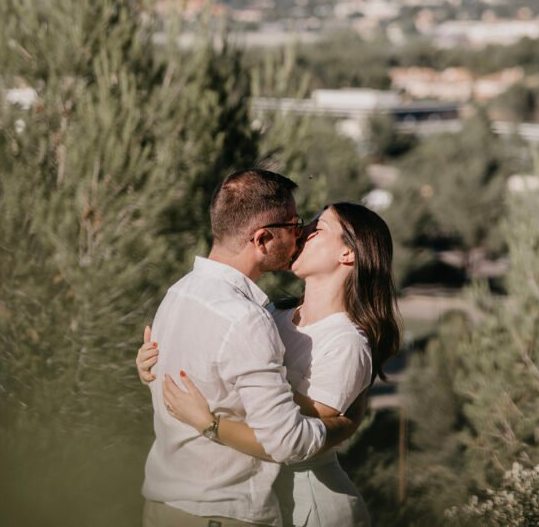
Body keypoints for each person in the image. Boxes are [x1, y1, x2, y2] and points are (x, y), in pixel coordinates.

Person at [139, 202, 401, 527]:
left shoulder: (346, 342)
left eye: (316, 229)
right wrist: (164, 360)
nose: (300, 232)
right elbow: (235, 378)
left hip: (312, 505)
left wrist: (208, 422)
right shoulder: (272, 316)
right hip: (267, 497)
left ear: (348, 254)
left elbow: (286, 435)